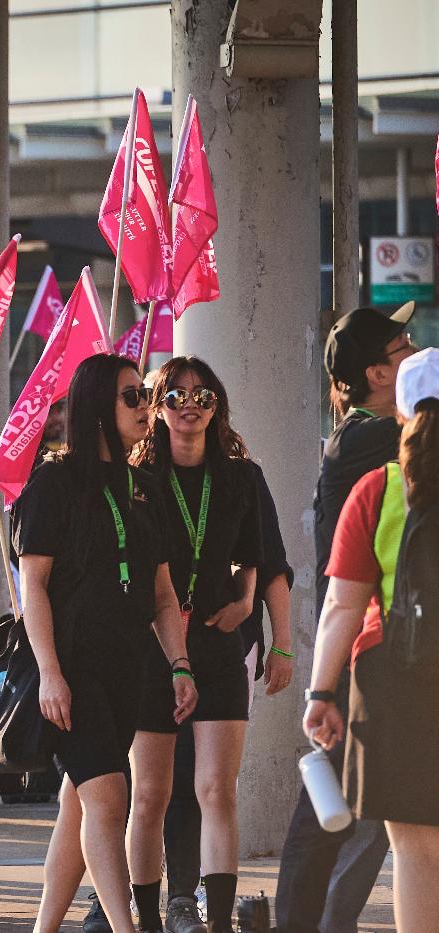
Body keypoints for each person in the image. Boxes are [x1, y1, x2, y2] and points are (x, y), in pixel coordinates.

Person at [12, 354, 195, 933]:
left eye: (144, 395)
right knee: (110, 798)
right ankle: (127, 926)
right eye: (132, 396)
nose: (146, 406)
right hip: (71, 666)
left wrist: (180, 664)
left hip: (129, 667)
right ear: (97, 406)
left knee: (81, 802)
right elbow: (32, 586)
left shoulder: (145, 487)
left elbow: (164, 595)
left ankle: (44, 928)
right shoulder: (54, 480)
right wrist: (49, 672)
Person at [275, 303, 417, 933]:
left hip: (383, 649)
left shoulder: (374, 436)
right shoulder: (371, 440)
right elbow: (343, 594)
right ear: (377, 375)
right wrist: (322, 687)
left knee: (374, 822)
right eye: (403, 348)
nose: (413, 352)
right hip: (370, 651)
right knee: (332, 814)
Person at [125, 357, 262, 933]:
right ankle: (148, 917)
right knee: (150, 792)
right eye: (175, 395)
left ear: (216, 404)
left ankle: (219, 917)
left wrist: (247, 599)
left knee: (215, 790)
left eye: (201, 394)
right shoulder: (140, 478)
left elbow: (258, 550)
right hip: (153, 646)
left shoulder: (239, 475)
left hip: (214, 641)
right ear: (157, 406)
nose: (189, 404)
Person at [305, 348, 439, 932]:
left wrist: (320, 693)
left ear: (402, 413)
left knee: (414, 853)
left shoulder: (377, 489)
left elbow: (343, 606)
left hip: (391, 681)